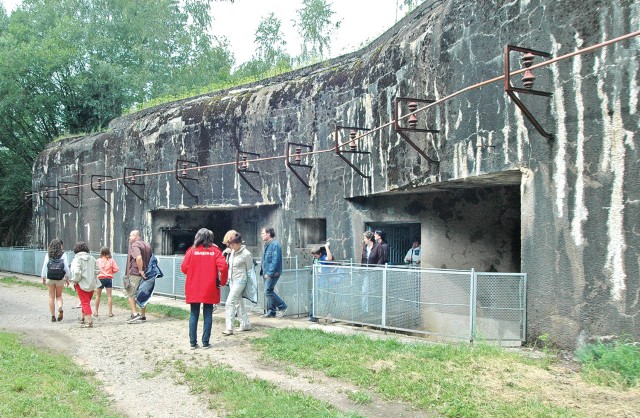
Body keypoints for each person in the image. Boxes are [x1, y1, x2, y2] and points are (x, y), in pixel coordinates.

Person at [181, 228, 228, 349]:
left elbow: (183, 268)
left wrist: (193, 273)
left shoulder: (192, 250)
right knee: (208, 313)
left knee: (194, 313)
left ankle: (193, 342)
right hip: (209, 286)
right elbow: (223, 267)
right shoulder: (215, 251)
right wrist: (222, 281)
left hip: (194, 285)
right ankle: (206, 342)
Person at [222, 231, 254, 335]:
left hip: (240, 280)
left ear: (239, 243)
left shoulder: (246, 254)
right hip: (232, 280)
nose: (231, 246)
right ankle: (245, 324)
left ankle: (229, 327)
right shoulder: (231, 252)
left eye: (233, 244)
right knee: (238, 302)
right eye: (230, 244)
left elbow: (249, 269)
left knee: (229, 302)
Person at [70, 241, 100, 328]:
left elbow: (76, 272)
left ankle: (89, 321)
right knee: (86, 301)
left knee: (84, 302)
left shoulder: (77, 259)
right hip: (92, 283)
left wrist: (75, 280)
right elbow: (98, 270)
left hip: (81, 283)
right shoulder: (92, 258)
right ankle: (82, 318)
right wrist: (92, 275)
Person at [124, 230, 152, 323]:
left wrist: (140, 270)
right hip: (147, 273)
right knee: (143, 294)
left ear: (136, 236)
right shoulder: (147, 245)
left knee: (131, 293)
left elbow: (138, 257)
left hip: (136, 273)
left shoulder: (135, 245)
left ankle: (135, 314)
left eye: (131, 235)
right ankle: (143, 315)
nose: (129, 237)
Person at [41, 238, 70, 322]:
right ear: (59, 246)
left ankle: (53, 316)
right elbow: (66, 268)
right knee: (59, 296)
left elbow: (44, 267)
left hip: (50, 277)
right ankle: (60, 307)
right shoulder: (63, 255)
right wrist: (67, 278)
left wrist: (43, 277)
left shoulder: (48, 254)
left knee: (51, 297)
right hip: (60, 278)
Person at [260, 227, 287, 318]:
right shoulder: (267, 244)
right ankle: (271, 312)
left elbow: (275, 261)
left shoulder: (275, 245)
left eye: (263, 233)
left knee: (267, 291)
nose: (261, 235)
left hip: (272, 273)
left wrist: (270, 273)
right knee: (269, 291)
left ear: (268, 234)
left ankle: (282, 306)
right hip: (266, 272)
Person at [309, 242, 334, 322]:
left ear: (319, 254)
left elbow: (329, 258)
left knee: (325, 299)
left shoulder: (323, 257)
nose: (314, 257)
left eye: (315, 256)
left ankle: (328, 314)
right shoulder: (316, 258)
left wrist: (326, 247)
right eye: (313, 256)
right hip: (316, 282)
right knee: (313, 299)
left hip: (324, 282)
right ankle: (312, 316)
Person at [95, 246, 119, 317]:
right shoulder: (111, 260)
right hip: (108, 278)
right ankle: (110, 312)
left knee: (98, 296)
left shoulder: (98, 260)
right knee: (109, 296)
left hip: (100, 279)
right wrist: (111, 272)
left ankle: (96, 312)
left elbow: (95, 269)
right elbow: (117, 269)